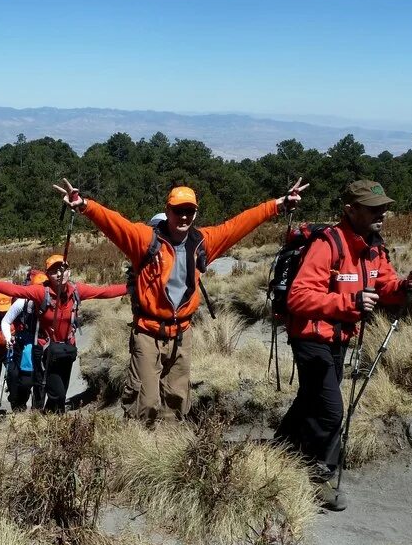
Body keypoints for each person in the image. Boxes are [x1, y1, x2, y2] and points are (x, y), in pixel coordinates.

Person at [53, 178, 307, 423]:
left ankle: (167, 448)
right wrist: (85, 205)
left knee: (176, 398)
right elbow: (115, 223)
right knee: (146, 400)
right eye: (178, 211)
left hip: (182, 334)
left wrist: (279, 204)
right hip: (148, 332)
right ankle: (139, 450)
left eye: (189, 211)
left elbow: (239, 224)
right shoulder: (145, 240)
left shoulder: (202, 242)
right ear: (168, 211)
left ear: (195, 213)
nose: (183, 217)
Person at [274, 179, 412, 512]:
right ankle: (317, 477)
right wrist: (348, 304)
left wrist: (405, 285)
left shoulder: (373, 247)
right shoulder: (328, 244)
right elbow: (299, 297)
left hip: (339, 338)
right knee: (331, 411)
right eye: (374, 208)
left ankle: (279, 450)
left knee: (310, 399)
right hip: (310, 337)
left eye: (384, 207)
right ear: (351, 209)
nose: (382, 213)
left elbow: (385, 287)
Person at [0, 255, 127, 413]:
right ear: (47, 275)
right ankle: (40, 415)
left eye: (63, 269)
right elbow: (15, 290)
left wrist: (132, 287)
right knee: (53, 391)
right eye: (54, 271)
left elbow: (104, 292)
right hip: (45, 350)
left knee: (60, 394)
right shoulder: (40, 292)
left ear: (69, 272)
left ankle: (49, 421)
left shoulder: (77, 291)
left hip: (67, 349)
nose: (59, 274)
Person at [1, 270, 49, 411]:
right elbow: (6, 321)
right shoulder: (23, 301)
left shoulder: (52, 301)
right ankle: (19, 405)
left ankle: (37, 412)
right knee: (26, 381)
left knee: (41, 382)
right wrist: (8, 338)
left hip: (44, 345)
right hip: (26, 346)